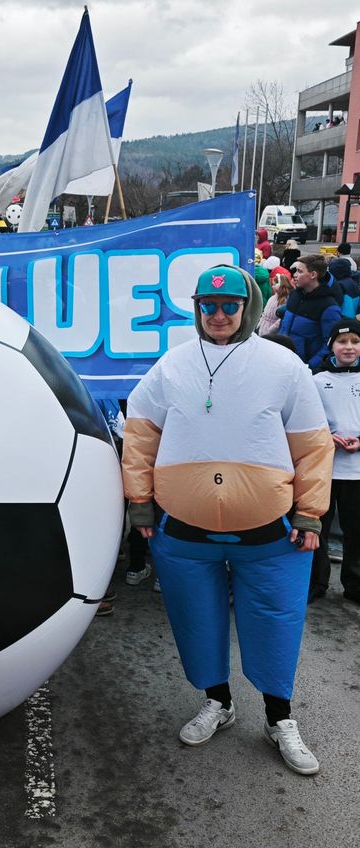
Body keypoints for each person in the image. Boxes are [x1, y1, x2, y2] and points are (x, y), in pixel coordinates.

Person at [123, 264, 332, 776]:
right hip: (185, 533)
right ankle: (219, 701)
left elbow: (312, 446)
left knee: (277, 623)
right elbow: (140, 434)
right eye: (208, 306)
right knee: (197, 621)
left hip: (271, 535)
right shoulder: (171, 365)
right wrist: (141, 503)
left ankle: (279, 718)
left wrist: (309, 514)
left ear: (249, 308)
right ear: (197, 309)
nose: (218, 316)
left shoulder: (283, 366)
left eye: (229, 306)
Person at [309, 320, 360, 605]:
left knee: (356, 531)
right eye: (342, 342)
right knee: (319, 530)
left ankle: (354, 584)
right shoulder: (317, 381)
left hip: (357, 472)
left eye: (355, 341)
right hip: (326, 470)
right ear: (331, 346)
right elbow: (309, 421)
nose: (349, 347)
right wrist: (327, 437)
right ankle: (317, 583)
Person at [279, 255, 342, 369]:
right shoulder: (294, 295)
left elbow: (330, 343)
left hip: (305, 367)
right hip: (284, 360)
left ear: (313, 275)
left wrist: (311, 365)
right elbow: (284, 326)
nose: (294, 275)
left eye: (299, 271)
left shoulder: (329, 306)